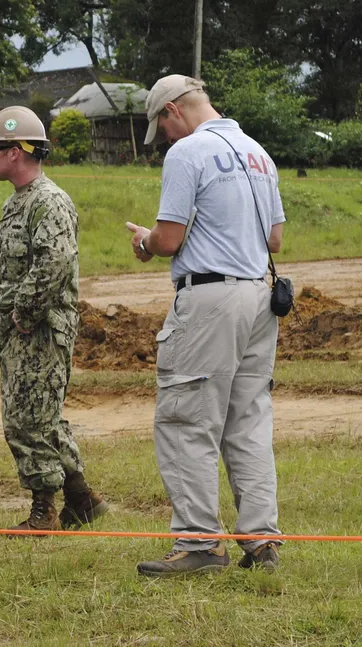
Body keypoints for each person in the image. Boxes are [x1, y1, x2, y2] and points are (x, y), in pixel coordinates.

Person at [127, 75, 285, 576]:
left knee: (186, 418)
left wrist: (145, 241)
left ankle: (198, 543)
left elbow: (170, 239)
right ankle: (261, 541)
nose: (167, 140)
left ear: (172, 110)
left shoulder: (188, 153)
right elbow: (275, 239)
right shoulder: (258, 151)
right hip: (260, 294)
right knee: (248, 420)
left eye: (163, 129)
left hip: (211, 299)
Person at [0, 106, 108, 533]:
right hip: (21, 332)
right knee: (42, 416)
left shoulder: (48, 201)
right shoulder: (19, 201)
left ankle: (44, 510)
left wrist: (23, 312)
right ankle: (81, 498)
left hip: (38, 330)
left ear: (17, 151)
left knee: (26, 420)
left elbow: (55, 261)